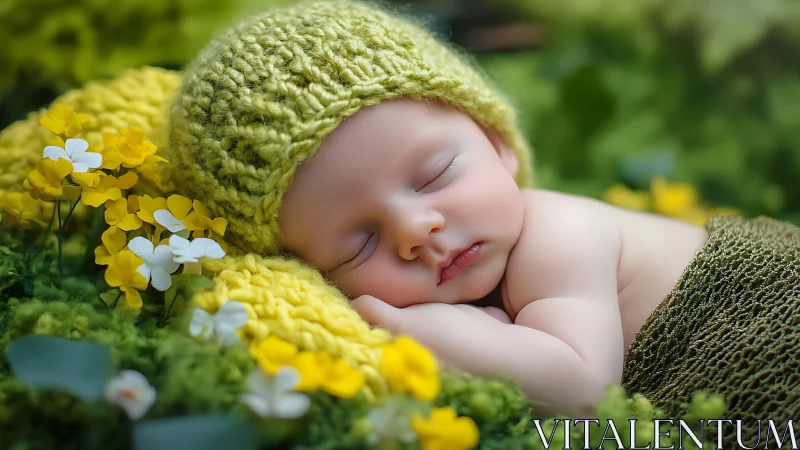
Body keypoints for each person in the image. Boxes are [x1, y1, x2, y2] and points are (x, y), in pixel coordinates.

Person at [166, 0, 800, 435]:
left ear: (497, 142)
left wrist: (420, 329)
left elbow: (585, 395)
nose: (418, 230)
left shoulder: (558, 233)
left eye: (436, 174)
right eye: (359, 245)